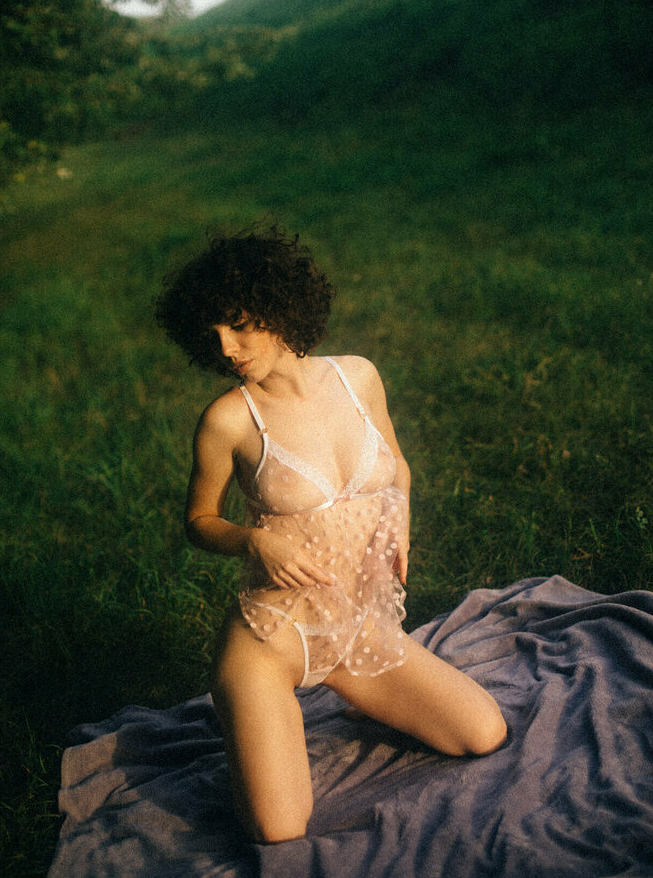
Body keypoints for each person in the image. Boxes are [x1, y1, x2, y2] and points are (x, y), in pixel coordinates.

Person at [156, 226, 507, 844]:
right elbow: (198, 522)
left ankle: (353, 697)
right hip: (272, 639)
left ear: (277, 308)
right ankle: (254, 711)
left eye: (239, 325)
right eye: (212, 335)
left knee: (484, 733)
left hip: (355, 629)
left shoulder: (357, 377)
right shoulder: (229, 419)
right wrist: (255, 541)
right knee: (279, 828)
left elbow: (397, 465)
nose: (227, 347)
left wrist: (399, 524)